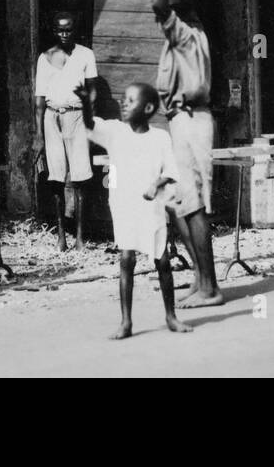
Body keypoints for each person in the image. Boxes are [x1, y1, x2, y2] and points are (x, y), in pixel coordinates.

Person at [78, 81, 193, 340]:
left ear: (148, 107)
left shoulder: (160, 137)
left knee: (162, 260)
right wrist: (85, 103)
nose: (123, 103)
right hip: (125, 207)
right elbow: (89, 126)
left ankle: (171, 317)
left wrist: (156, 184)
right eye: (123, 99)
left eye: (130, 100)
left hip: (152, 209)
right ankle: (126, 322)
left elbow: (172, 171)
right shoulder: (115, 132)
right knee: (126, 260)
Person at [152, 0, 223, 308]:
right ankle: (201, 279)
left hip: (192, 120)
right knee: (181, 201)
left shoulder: (184, 35)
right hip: (182, 121)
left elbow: (158, 3)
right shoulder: (188, 37)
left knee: (194, 205)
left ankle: (210, 286)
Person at [33, 12, 98, 250]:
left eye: (68, 30)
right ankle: (61, 236)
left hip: (77, 116)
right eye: (60, 30)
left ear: (75, 30)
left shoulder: (85, 55)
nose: (64, 34)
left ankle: (80, 236)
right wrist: (38, 134)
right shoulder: (45, 57)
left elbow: (92, 92)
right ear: (54, 31)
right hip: (52, 117)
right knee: (56, 178)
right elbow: (39, 100)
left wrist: (90, 122)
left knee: (80, 177)